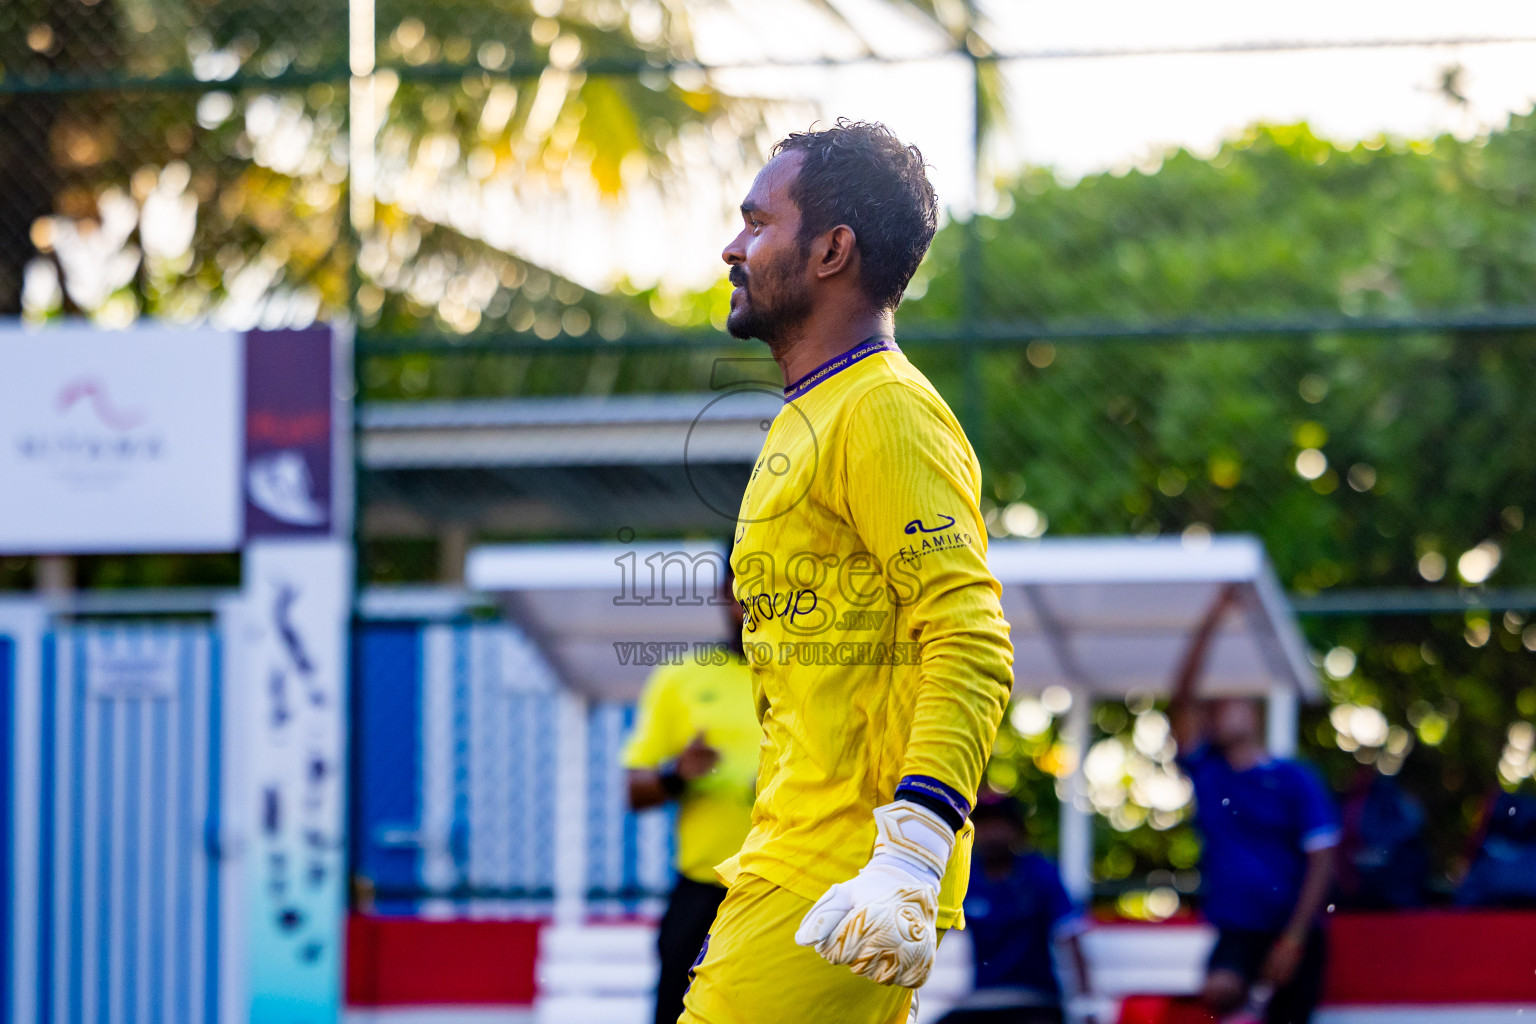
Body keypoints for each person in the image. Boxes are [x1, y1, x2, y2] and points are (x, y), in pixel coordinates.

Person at [680, 120, 1015, 1024]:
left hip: (837, 872)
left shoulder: (884, 411)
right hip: (801, 865)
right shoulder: (814, 413)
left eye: (758, 223)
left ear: (832, 251)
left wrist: (911, 853)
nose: (733, 247)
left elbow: (970, 638)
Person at [1168, 585, 1340, 1024]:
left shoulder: (1295, 778)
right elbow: (1181, 695)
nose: (1223, 710)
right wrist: (1214, 617)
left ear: (1254, 713)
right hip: (1238, 929)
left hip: (1294, 927)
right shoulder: (1209, 774)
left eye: (1232, 702)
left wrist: (1293, 940)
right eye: (1215, 707)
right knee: (1220, 989)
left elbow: (1323, 858)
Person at [623, 564, 761, 1024]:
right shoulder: (683, 677)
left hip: (789, 888)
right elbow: (634, 790)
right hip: (705, 891)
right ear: (726, 592)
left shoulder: (810, 675)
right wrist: (677, 777)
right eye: (745, 586)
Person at [937, 796, 1091, 1024]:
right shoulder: (965, 877)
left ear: (1016, 829)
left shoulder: (1040, 873)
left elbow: (1070, 935)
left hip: (1035, 999)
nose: (992, 833)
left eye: (999, 824)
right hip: (980, 1000)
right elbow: (933, 930)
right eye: (985, 825)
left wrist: (1086, 1005)